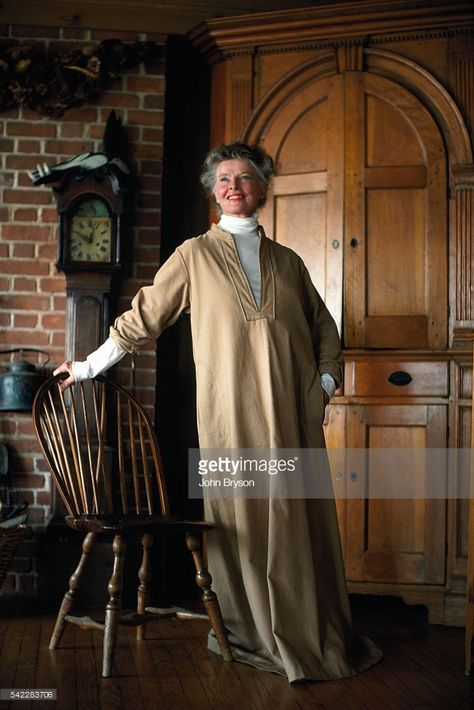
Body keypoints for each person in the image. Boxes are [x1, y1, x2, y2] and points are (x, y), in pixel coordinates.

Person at [54, 142, 382, 682]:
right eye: (224, 178)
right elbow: (144, 319)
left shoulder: (290, 262)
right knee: (244, 523)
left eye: (246, 177)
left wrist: (323, 382)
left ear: (262, 188)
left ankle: (306, 630)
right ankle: (254, 630)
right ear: (212, 191)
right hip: (231, 416)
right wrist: (89, 367)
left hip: (295, 414)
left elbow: (326, 329)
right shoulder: (193, 256)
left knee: (298, 521)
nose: (234, 185)